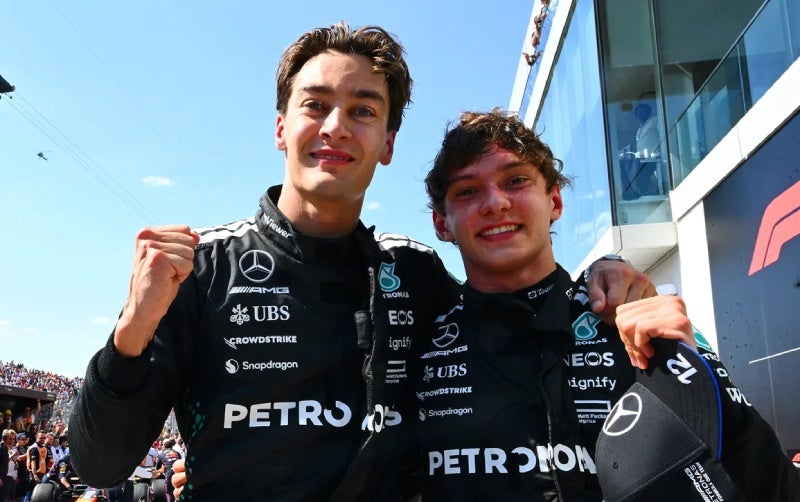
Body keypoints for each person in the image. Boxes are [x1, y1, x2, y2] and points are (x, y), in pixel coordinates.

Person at [69, 22, 654, 501]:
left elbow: (521, 314)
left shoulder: (416, 273)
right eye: (315, 104)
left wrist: (605, 277)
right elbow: (99, 465)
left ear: (390, 143)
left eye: (364, 111)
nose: (335, 127)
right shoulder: (200, 269)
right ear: (281, 127)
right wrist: (132, 331)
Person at [413, 108, 799, 500]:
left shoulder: (636, 318)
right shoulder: (418, 346)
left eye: (515, 181)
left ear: (555, 202)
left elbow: (771, 487)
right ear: (442, 224)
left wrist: (695, 372)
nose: (495, 203)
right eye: (467, 190)